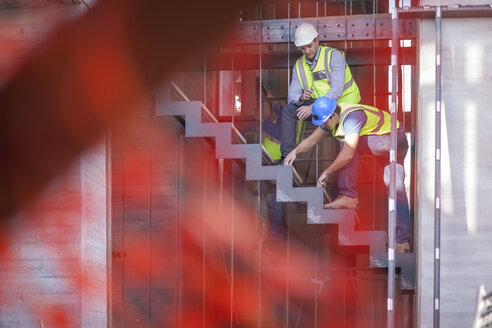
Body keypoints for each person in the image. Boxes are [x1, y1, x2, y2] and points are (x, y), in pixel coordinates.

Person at [284, 97, 412, 253]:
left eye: (325, 122)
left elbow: (348, 153)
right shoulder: (333, 117)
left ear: (333, 116)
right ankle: (401, 241)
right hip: (390, 144)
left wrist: (326, 172)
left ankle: (348, 195)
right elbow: (312, 140)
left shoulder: (351, 117)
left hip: (392, 141)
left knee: (347, 145)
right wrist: (294, 152)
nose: (324, 126)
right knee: (396, 189)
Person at [279, 22, 361, 161]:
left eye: (309, 46)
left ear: (317, 40)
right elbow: (291, 96)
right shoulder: (299, 66)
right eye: (302, 48)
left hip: (343, 106)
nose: (307, 51)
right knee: (288, 110)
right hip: (320, 108)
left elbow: (336, 91)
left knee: (344, 141)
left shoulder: (333, 56)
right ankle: (286, 158)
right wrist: (301, 98)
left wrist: (311, 107)